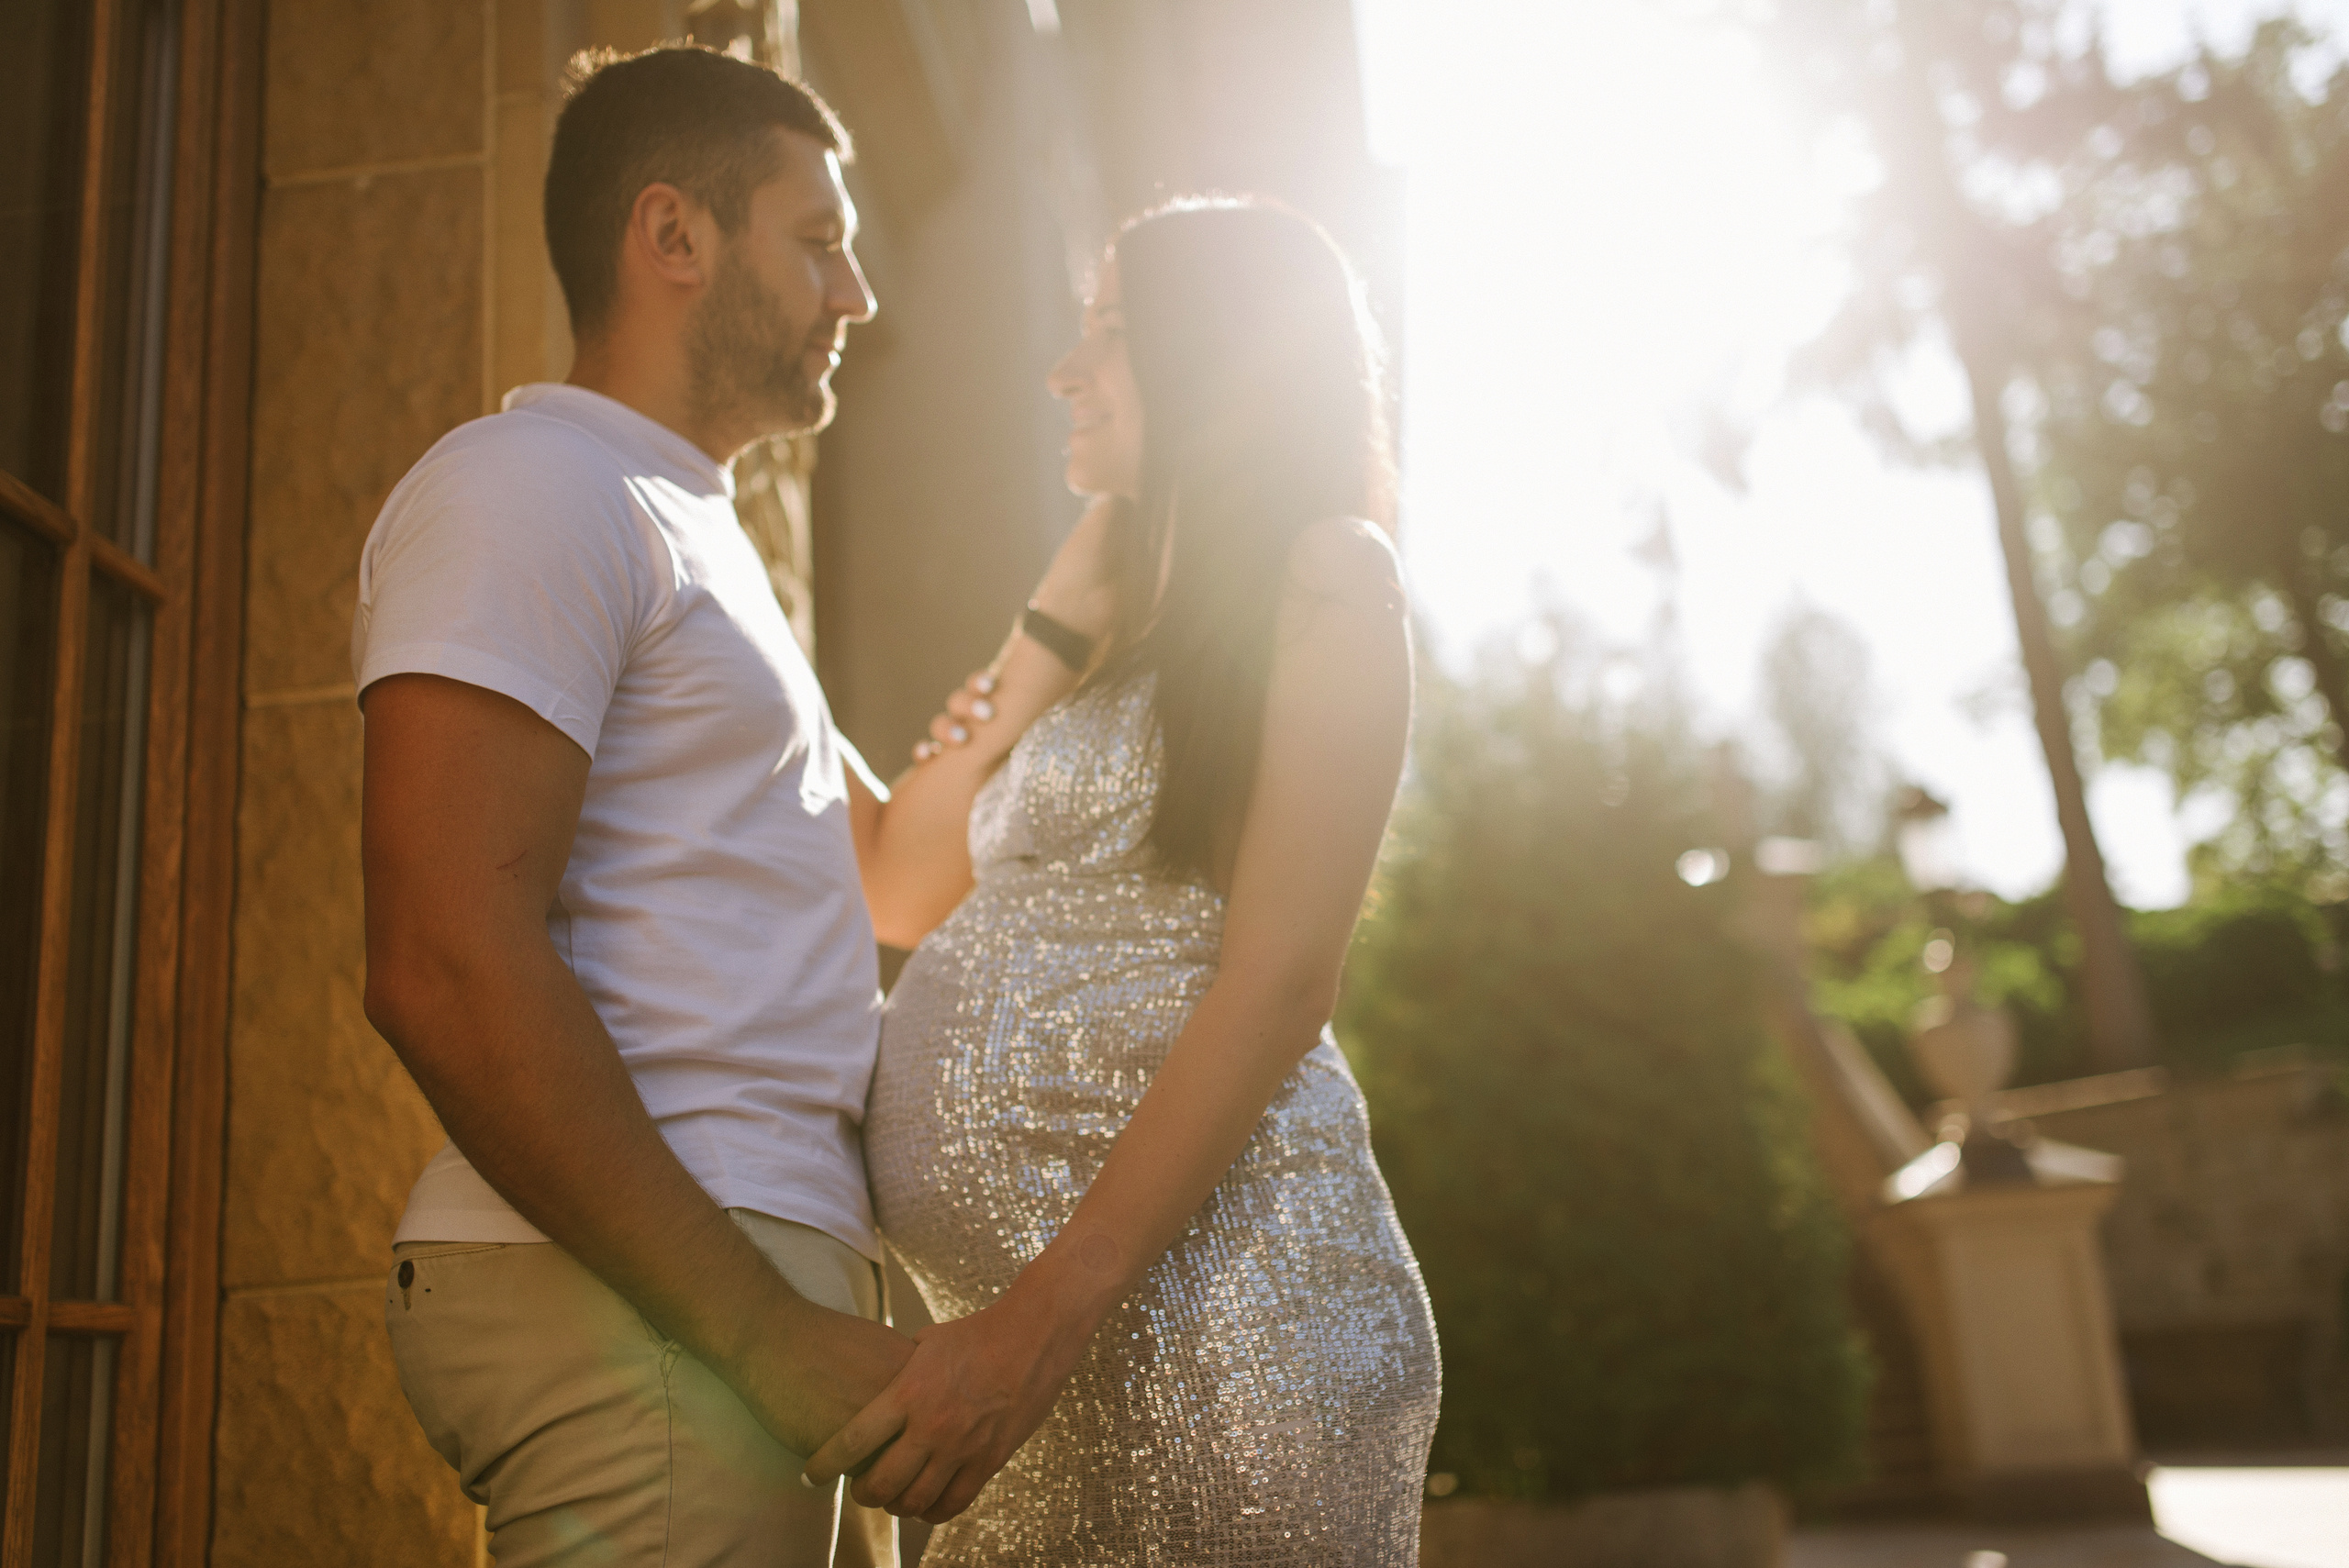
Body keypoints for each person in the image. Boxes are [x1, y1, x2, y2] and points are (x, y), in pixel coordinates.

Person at [807, 198, 1443, 1562]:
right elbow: (900, 887)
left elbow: (1280, 982)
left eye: (1109, 331)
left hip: (1228, 1325)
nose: (1065, 371)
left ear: (1215, 363)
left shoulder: (1331, 572)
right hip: (1035, 1364)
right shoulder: (1110, 631)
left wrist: (1035, 1325)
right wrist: (1052, 621)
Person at [360, 47, 915, 1565]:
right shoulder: (535, 484)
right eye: (816, 239)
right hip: (670, 1321)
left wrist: (1114, 557)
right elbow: (440, 956)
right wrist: (760, 1333)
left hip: (734, 1316)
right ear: (672, 237)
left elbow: (899, 874)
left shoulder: (697, 530)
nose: (855, 291)